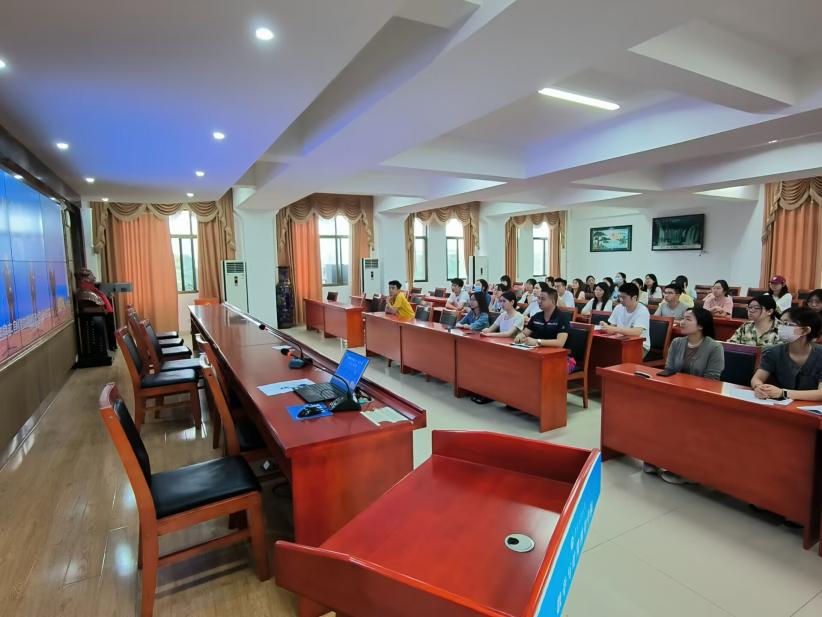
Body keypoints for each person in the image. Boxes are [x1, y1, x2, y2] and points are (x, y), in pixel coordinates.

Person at [646, 307, 725, 484]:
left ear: (701, 325)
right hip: (676, 395)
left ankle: (686, 470)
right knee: (654, 412)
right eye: (683, 318)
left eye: (688, 319)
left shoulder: (715, 347)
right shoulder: (677, 343)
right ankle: (655, 458)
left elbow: (712, 380)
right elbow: (669, 370)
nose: (682, 322)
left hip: (702, 399)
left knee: (681, 419)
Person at [751, 306, 822, 402]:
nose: (780, 327)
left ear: (805, 330)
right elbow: (757, 378)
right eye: (780, 323)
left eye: (786, 324)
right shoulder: (773, 351)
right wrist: (758, 387)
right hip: (781, 406)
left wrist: (783, 393)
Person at [602, 282, 651, 355]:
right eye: (620, 297)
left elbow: (636, 332)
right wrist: (606, 327)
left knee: (614, 356)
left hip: (640, 345)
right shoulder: (618, 307)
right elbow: (612, 328)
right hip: (620, 341)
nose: (621, 299)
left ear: (634, 297)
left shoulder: (643, 310)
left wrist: (614, 329)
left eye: (624, 297)